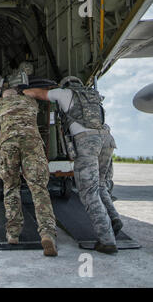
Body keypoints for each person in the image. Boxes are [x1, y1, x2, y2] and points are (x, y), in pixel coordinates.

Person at [23, 76, 123, 255]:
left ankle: (107, 240)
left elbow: (38, 93)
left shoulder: (64, 93)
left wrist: (22, 91)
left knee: (89, 192)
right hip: (107, 139)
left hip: (87, 142)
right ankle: (114, 219)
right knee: (100, 185)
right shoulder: (93, 95)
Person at [0, 88, 58, 256]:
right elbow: (38, 111)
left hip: (8, 144)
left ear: (3, 97)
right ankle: (47, 233)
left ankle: (13, 233)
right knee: (39, 188)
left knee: (11, 187)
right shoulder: (30, 102)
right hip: (31, 143)